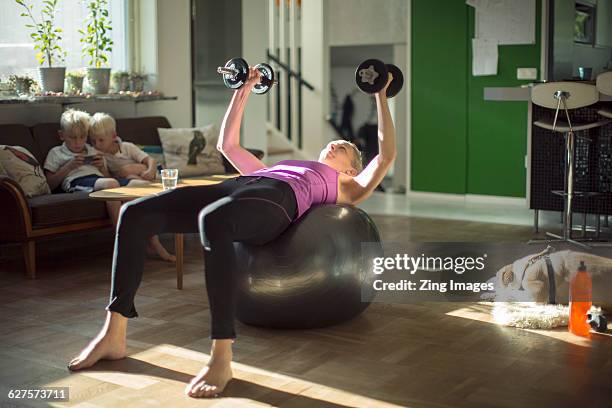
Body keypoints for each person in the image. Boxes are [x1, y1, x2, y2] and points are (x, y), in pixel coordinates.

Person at [67, 67, 397, 399]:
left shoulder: (347, 186)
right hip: (244, 184)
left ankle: (222, 355)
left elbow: (385, 155)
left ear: (353, 168)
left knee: (213, 220)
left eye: (345, 147)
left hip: (276, 201)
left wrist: (380, 95)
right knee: (134, 213)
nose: (336, 143)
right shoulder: (284, 165)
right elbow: (228, 144)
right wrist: (245, 89)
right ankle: (114, 333)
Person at [89, 112, 175, 262]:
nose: (97, 144)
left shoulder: (127, 147)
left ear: (114, 136)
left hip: (154, 175)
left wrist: (147, 171)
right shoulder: (101, 155)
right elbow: (110, 178)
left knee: (128, 172)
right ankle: (153, 243)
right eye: (93, 141)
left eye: (101, 140)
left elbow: (151, 161)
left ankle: (152, 241)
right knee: (128, 178)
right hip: (131, 181)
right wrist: (102, 166)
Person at [44, 109, 124, 225]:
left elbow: (107, 176)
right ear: (61, 135)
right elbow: (48, 185)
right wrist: (69, 167)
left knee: (139, 186)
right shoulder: (56, 153)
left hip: (99, 180)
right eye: (73, 137)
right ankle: (119, 236)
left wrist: (102, 167)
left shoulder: (93, 150)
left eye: (82, 137)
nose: (78, 142)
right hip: (76, 181)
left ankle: (151, 241)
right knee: (111, 184)